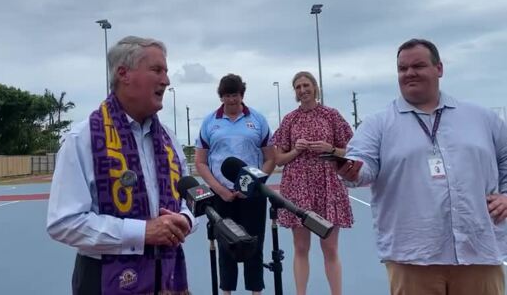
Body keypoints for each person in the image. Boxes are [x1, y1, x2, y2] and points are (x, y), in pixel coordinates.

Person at [338, 38, 507, 295]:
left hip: (479, 250)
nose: (409, 73)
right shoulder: (378, 124)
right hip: (413, 256)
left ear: (439, 69)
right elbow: (363, 167)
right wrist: (352, 170)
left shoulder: (482, 118)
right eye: (402, 68)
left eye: (418, 65)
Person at [47, 36, 197, 295]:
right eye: (156, 70)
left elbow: (188, 199)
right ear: (123, 74)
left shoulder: (169, 140)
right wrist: (142, 232)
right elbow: (64, 222)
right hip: (104, 278)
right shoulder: (82, 139)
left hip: (167, 275)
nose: (166, 80)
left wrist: (184, 218)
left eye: (166, 71)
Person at [270, 71, 354, 295]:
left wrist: (331, 149)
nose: (302, 90)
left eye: (306, 85)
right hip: (298, 188)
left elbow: (352, 151)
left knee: (329, 247)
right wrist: (296, 150)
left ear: (315, 87)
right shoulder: (289, 119)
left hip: (327, 187)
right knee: (300, 247)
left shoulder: (331, 115)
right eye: (298, 87)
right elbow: (279, 158)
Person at [194, 73, 275, 295]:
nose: (232, 100)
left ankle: (255, 291)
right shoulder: (210, 122)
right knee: (226, 246)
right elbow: (200, 162)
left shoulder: (257, 120)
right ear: (221, 97)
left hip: (252, 195)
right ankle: (227, 291)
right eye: (227, 96)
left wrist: (254, 183)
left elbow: (270, 158)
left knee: (254, 245)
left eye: (236, 95)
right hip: (222, 195)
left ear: (242, 95)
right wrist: (219, 189)